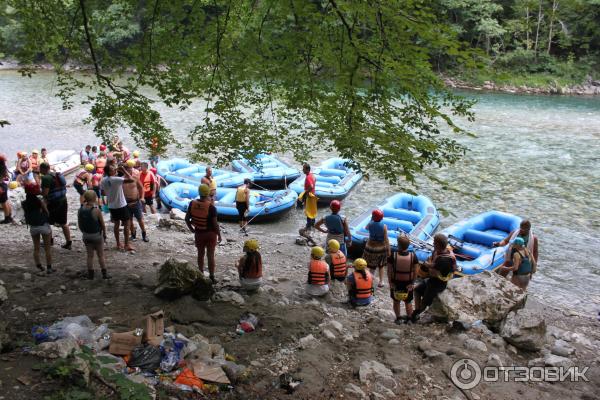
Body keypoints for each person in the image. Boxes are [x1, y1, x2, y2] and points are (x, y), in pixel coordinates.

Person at [412, 233, 456, 321]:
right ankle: (416, 311)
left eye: (434, 242)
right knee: (417, 290)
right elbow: (433, 264)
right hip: (431, 280)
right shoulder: (437, 252)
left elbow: (433, 272)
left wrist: (427, 266)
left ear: (438, 244)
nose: (432, 243)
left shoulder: (445, 260)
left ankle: (415, 315)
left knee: (425, 302)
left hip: (438, 284)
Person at [185, 184, 222, 282]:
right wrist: (219, 235)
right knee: (210, 256)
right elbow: (215, 224)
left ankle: (200, 274)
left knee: (200, 254)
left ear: (199, 193)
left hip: (199, 233)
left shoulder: (192, 203)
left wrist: (191, 229)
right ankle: (212, 276)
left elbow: (186, 219)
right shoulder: (211, 207)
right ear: (208, 193)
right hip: (210, 234)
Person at [101, 164, 135, 251]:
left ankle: (118, 243)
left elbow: (103, 193)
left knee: (116, 224)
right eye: (113, 168)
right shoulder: (116, 179)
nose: (115, 169)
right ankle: (126, 244)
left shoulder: (103, 180)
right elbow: (131, 179)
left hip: (112, 206)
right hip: (121, 205)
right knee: (127, 224)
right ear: (109, 171)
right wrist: (123, 170)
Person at [21, 182, 53, 274]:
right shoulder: (39, 201)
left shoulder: (24, 203)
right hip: (43, 226)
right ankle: (49, 268)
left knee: (36, 248)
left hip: (33, 227)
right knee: (47, 248)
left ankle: (39, 266)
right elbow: (47, 212)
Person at [39, 162, 72, 249]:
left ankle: (49, 241)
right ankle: (69, 242)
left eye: (40, 169)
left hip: (53, 203)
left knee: (46, 221)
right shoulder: (57, 175)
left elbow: (45, 193)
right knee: (63, 223)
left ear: (43, 169)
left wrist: (37, 192)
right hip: (63, 200)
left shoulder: (46, 178)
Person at [388, 235, 419, 323]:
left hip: (396, 282)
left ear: (398, 245)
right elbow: (416, 272)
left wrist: (390, 282)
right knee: (408, 301)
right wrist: (413, 283)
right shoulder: (413, 256)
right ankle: (409, 318)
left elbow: (389, 271)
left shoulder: (393, 256)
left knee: (396, 301)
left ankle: (398, 318)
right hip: (408, 282)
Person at [78, 190, 109, 279]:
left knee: (90, 256)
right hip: (96, 235)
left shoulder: (80, 210)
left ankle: (91, 275)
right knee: (100, 255)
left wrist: (84, 233)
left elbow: (80, 224)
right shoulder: (96, 211)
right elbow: (102, 225)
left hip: (86, 235)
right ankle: (104, 274)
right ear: (95, 198)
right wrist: (104, 235)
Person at [362, 209, 390, 288]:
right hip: (380, 248)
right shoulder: (384, 226)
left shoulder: (370, 224)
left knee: (368, 263)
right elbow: (386, 239)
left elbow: (366, 228)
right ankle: (381, 281)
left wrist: (371, 219)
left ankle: (369, 277)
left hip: (370, 247)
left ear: (373, 217)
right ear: (381, 218)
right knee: (381, 265)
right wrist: (389, 249)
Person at [123, 160, 148, 242]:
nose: (129, 171)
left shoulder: (135, 178)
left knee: (140, 219)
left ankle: (144, 234)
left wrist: (142, 197)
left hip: (136, 201)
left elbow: (141, 188)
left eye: (130, 169)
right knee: (129, 220)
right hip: (126, 203)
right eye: (127, 169)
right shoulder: (121, 179)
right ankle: (133, 234)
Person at [300, 163, 317, 236]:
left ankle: (308, 226)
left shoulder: (308, 177)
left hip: (309, 196)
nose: (302, 170)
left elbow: (311, 186)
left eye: (303, 169)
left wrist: (305, 193)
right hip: (313, 195)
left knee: (308, 211)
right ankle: (312, 224)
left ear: (307, 169)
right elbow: (315, 181)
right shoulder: (312, 175)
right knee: (312, 211)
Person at [0, 155, 13, 224]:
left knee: (3, 203)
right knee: (6, 201)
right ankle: (9, 216)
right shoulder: (4, 167)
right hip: (4, 184)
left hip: (1, 185)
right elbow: (7, 176)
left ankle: (6, 218)